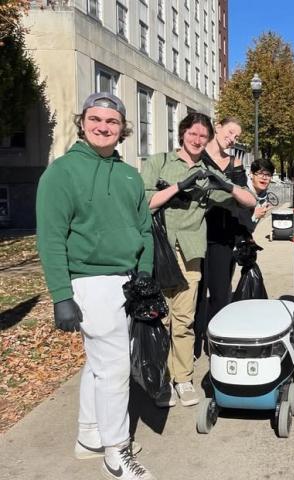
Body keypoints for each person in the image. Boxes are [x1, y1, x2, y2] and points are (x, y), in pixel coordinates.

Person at [36, 92, 156, 480]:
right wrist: (61, 296)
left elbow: (144, 228)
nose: (103, 127)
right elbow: (51, 238)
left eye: (112, 121)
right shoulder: (62, 172)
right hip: (89, 280)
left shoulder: (129, 174)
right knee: (115, 368)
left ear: (122, 129)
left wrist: (146, 274)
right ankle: (116, 453)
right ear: (83, 123)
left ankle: (90, 436)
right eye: (95, 120)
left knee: (100, 366)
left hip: (127, 282)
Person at [141, 113, 256, 408]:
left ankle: (183, 379)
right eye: (192, 133)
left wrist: (225, 184)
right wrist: (179, 186)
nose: (197, 140)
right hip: (159, 251)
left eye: (202, 136)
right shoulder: (159, 161)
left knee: (184, 319)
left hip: (190, 253)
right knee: (161, 318)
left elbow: (249, 202)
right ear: (182, 134)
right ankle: (163, 380)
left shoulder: (207, 172)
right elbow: (143, 203)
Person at [195, 117, 248, 356]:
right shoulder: (197, 155)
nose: (232, 138)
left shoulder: (235, 163)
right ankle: (193, 343)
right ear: (217, 128)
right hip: (195, 234)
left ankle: (214, 342)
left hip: (223, 237)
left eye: (236, 136)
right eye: (229, 132)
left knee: (219, 294)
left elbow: (243, 199)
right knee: (195, 294)